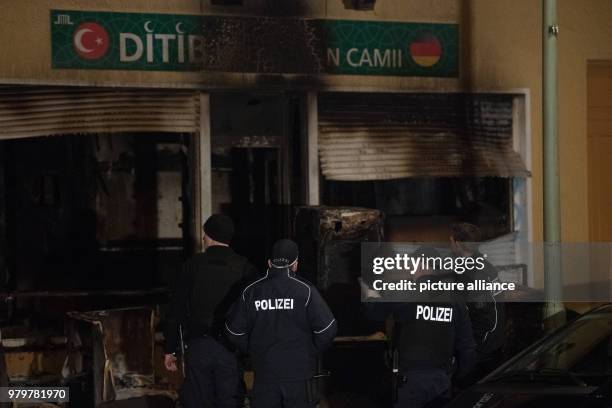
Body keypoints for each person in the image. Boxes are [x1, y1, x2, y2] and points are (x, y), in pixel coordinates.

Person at [225, 239, 337, 408]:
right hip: (299, 376)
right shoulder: (306, 291)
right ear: (295, 264)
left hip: (265, 374)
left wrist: (253, 349)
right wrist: (309, 351)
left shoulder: (251, 291)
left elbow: (233, 331)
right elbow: (327, 330)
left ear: (269, 263)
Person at [362, 246, 476, 408]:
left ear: (420, 266)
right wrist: (459, 378)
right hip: (442, 381)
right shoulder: (455, 298)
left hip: (409, 383)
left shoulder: (403, 292)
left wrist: (369, 295)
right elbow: (467, 346)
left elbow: (375, 314)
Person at [163, 214, 258, 408]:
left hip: (198, 345)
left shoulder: (192, 265)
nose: (203, 239)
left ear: (210, 236)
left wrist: (170, 349)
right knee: (229, 399)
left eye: (205, 235)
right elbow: (254, 312)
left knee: (197, 400)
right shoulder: (246, 268)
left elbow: (176, 310)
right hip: (231, 348)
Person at [450, 222, 506, 384]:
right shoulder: (484, 265)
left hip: (482, 353)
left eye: (451, 241)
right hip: (492, 347)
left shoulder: (471, 273)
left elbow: (483, 315)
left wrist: (471, 348)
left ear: (458, 244)